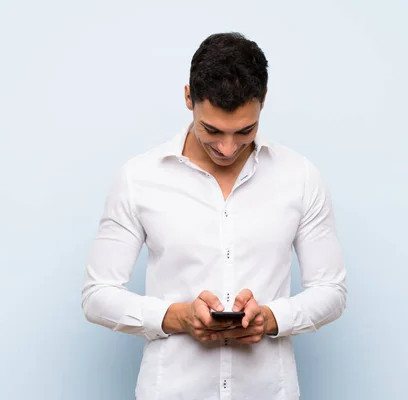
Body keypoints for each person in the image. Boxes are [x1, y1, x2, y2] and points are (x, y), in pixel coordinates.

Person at [82, 32, 347, 400]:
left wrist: (271, 318)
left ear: (263, 101)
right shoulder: (138, 178)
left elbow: (331, 291)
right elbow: (98, 295)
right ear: (189, 97)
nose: (227, 148)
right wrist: (177, 317)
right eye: (212, 130)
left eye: (244, 131)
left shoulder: (300, 177)